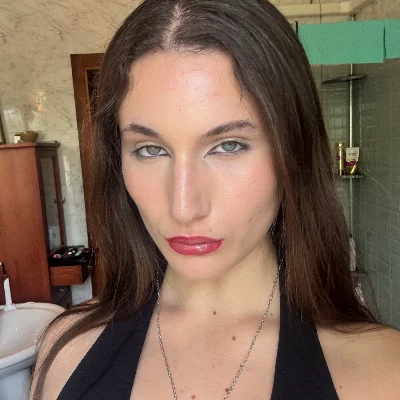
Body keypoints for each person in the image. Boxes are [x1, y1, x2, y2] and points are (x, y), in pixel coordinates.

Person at [30, 0, 400, 399]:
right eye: (151, 149)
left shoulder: (382, 373)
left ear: (293, 152)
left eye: (229, 145)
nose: (184, 207)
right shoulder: (66, 351)